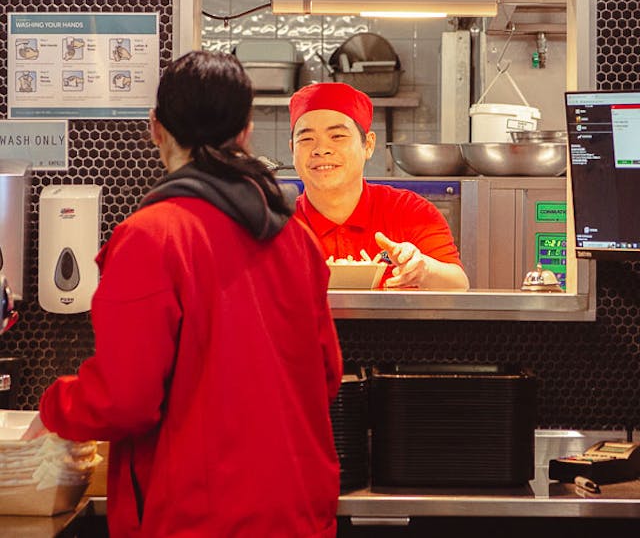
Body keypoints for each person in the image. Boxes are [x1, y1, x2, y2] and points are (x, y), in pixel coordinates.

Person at [23, 51, 343, 538]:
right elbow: (327, 376)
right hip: (299, 511)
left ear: (155, 127)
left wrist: (55, 406)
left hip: (201, 519)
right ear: (246, 132)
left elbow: (124, 399)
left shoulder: (151, 236)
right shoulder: (297, 239)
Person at [289, 82, 469, 291]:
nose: (321, 149)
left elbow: (458, 284)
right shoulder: (276, 226)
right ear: (292, 149)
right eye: (307, 139)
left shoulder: (410, 212)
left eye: (337, 136)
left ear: (369, 145)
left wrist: (424, 270)